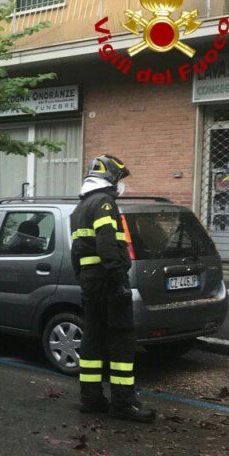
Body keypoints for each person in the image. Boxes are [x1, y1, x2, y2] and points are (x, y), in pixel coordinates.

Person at [70, 155, 155, 423]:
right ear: (109, 178)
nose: (121, 185)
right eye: (119, 178)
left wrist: (84, 279)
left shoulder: (80, 208)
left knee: (93, 339)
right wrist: (118, 279)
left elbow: (76, 252)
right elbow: (107, 244)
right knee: (122, 339)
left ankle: (91, 399)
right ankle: (123, 403)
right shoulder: (104, 203)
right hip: (108, 279)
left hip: (91, 281)